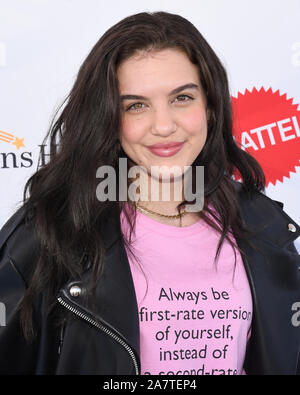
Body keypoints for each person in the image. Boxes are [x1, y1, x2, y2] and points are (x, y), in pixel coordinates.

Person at [0, 11, 299, 376]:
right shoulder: (50, 233)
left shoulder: (263, 225)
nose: (163, 126)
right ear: (108, 116)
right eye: (136, 105)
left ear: (211, 105)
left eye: (182, 98)